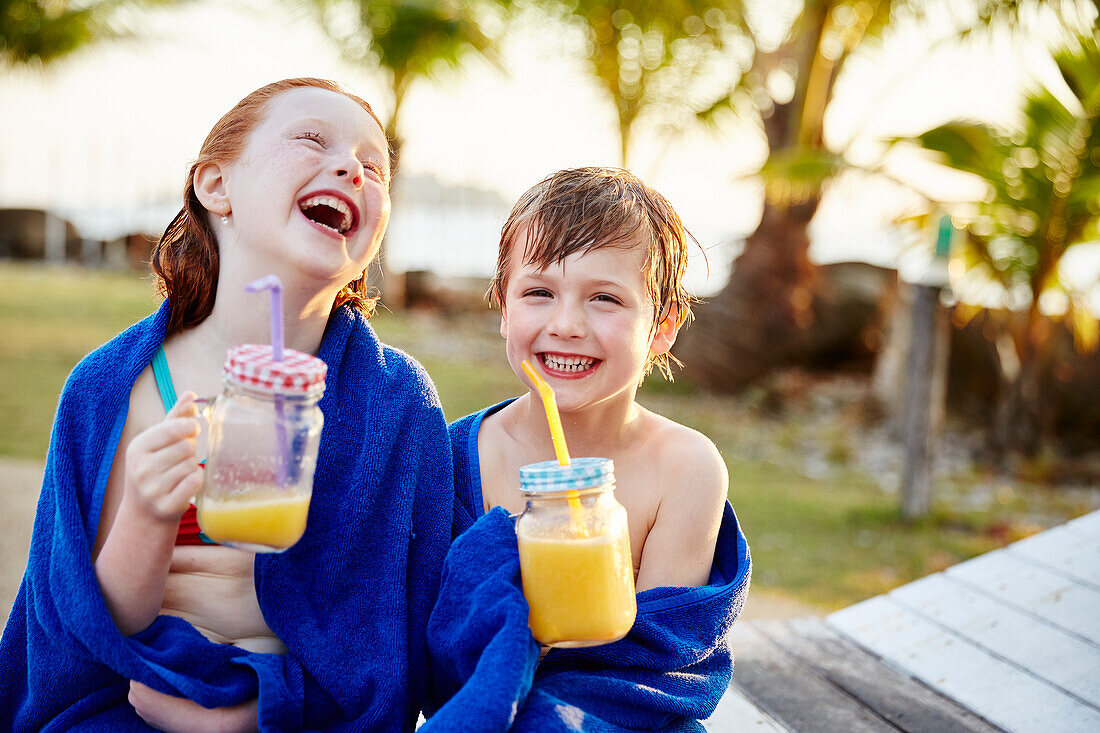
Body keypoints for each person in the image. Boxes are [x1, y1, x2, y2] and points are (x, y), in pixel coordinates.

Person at [0, 78, 453, 732]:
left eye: (375, 167)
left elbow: (394, 630)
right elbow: (90, 622)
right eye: (310, 138)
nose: (353, 167)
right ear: (216, 186)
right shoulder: (116, 390)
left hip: (305, 714)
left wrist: (253, 711)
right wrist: (149, 515)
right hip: (136, 697)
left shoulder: (395, 402)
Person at [429, 167, 750, 730]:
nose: (567, 324)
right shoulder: (455, 455)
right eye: (538, 293)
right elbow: (428, 637)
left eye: (605, 298)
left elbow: (653, 667)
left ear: (663, 326)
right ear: (504, 309)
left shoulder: (685, 469)